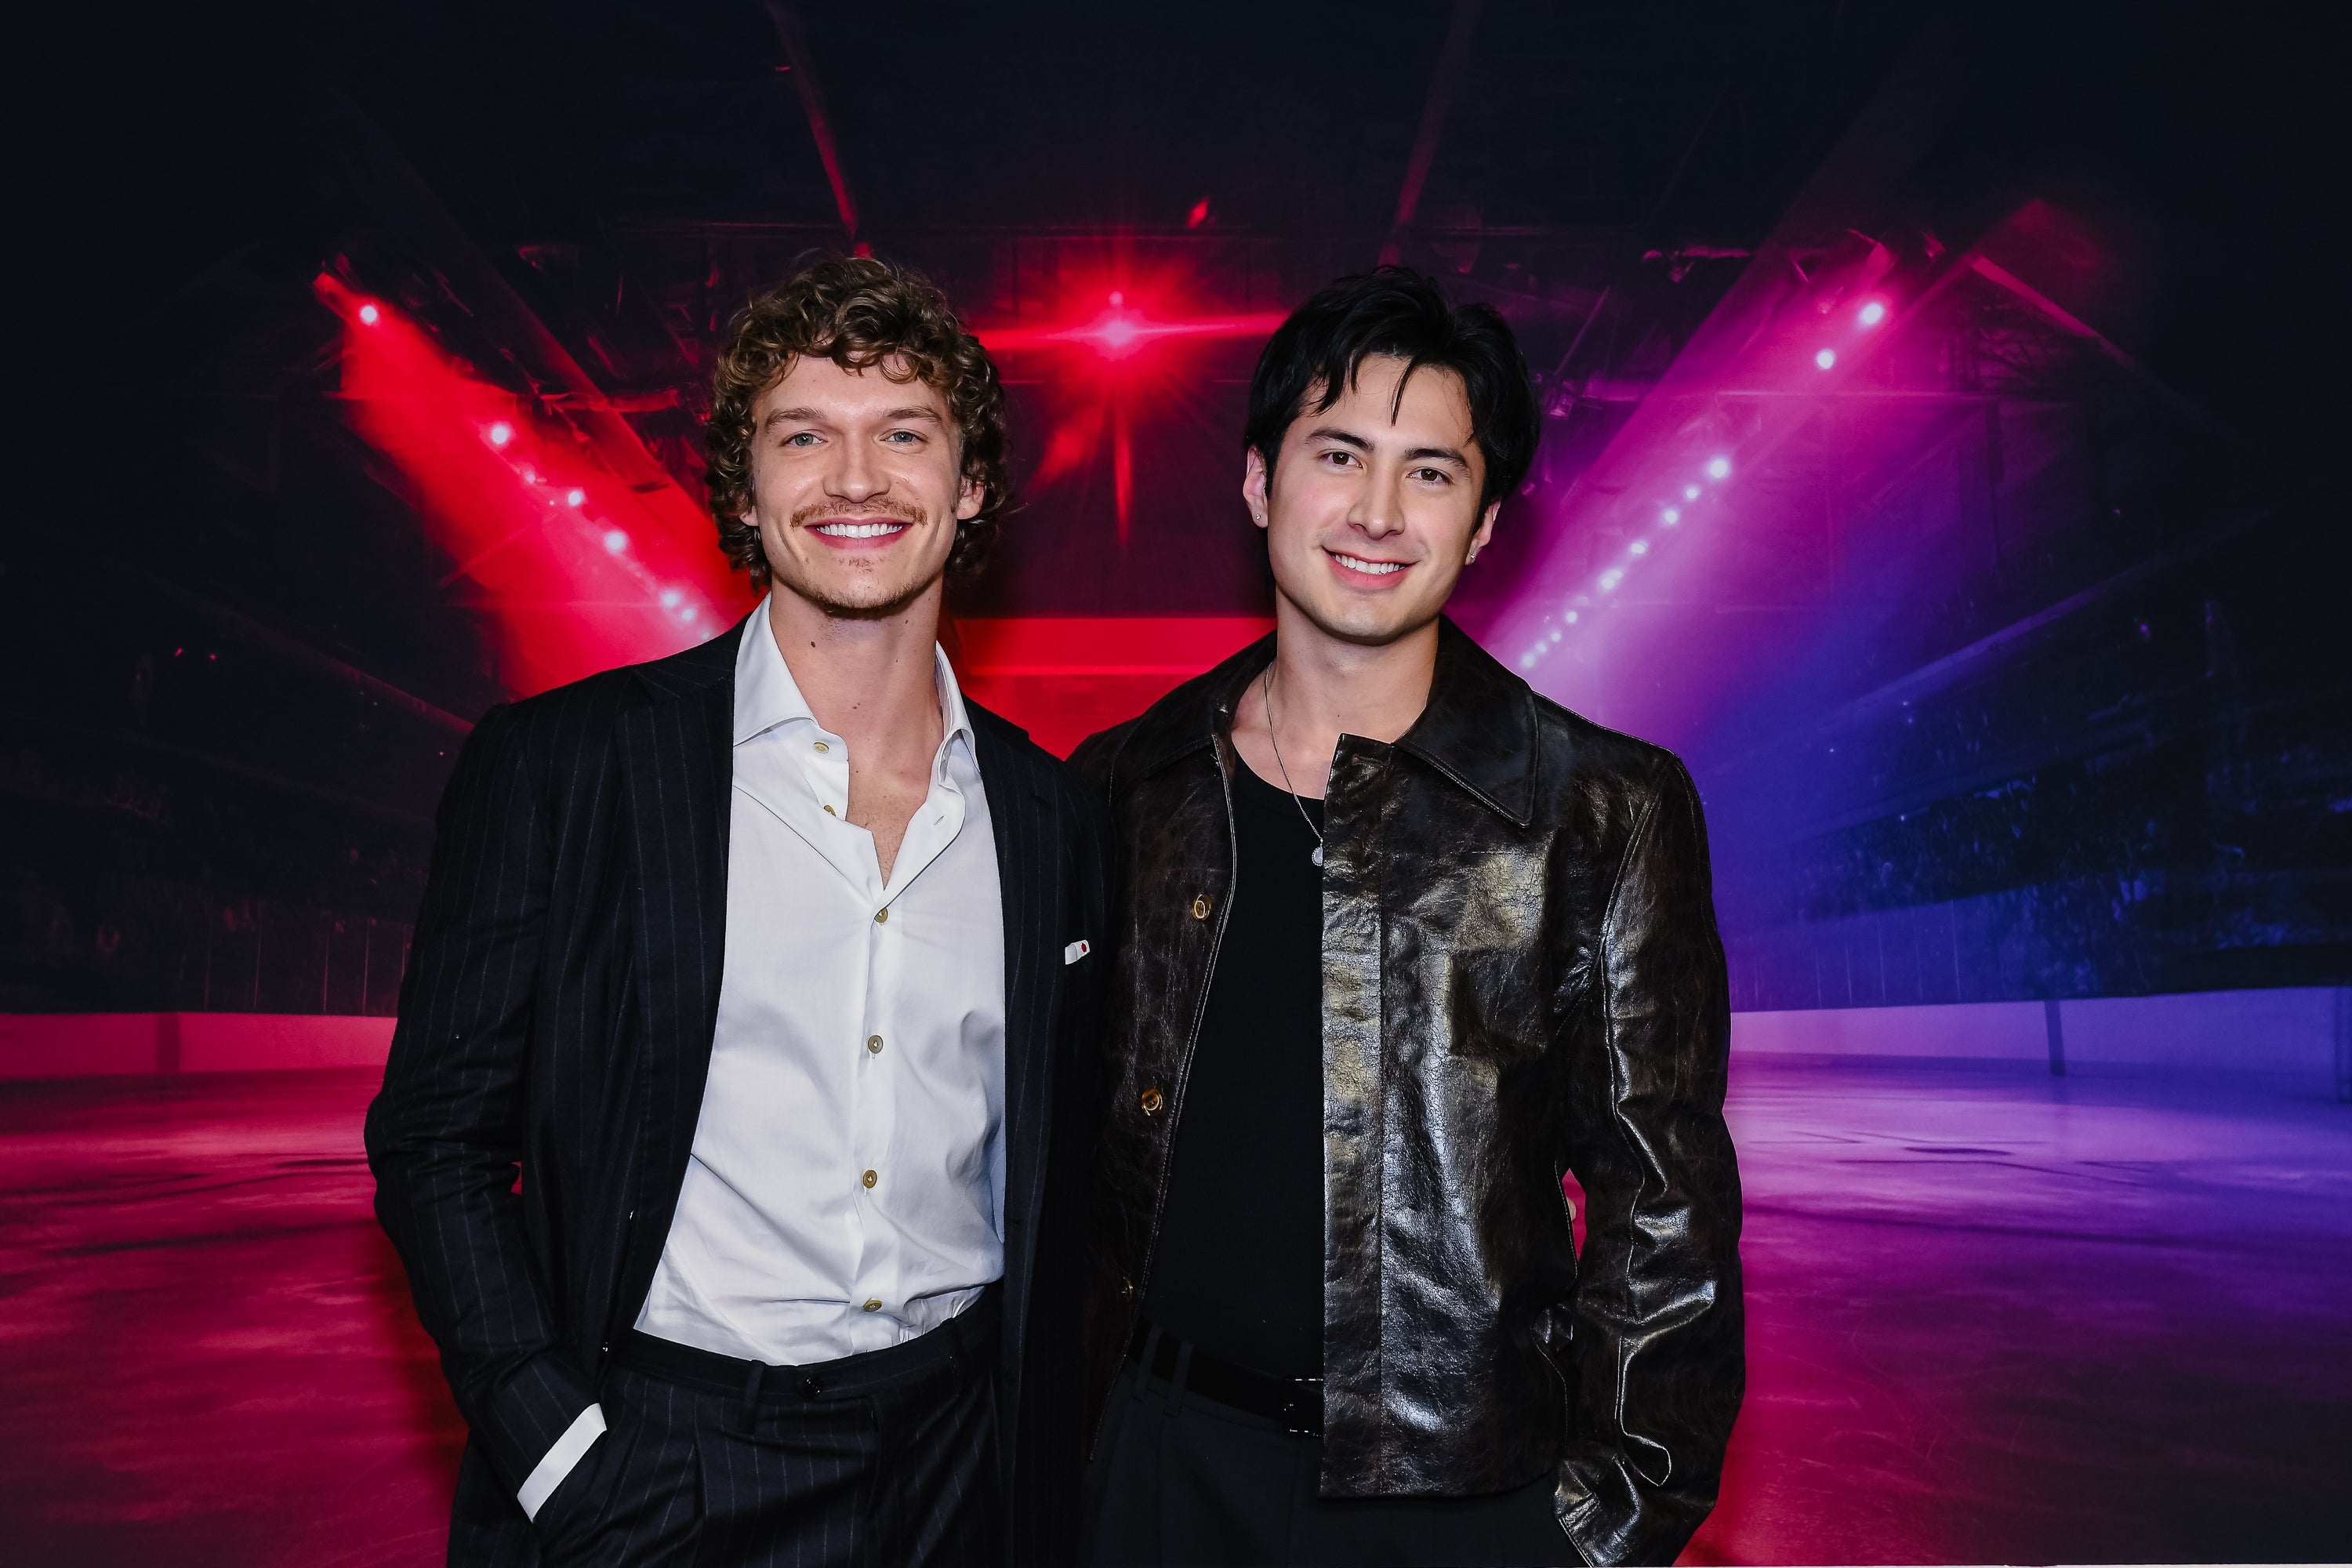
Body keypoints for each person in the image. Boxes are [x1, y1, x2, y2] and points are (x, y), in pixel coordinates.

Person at [366, 256, 1109, 1568]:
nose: (857, 480)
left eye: (906, 434)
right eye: (804, 436)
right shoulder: (567, 766)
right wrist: (558, 1455)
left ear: (971, 486)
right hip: (664, 1466)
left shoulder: (1054, 816)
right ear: (747, 490)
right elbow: (436, 1140)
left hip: (960, 1466)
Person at [1069, 267, 1744, 1567]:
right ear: (1261, 481)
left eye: (1431, 472)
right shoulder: (1126, 784)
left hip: (1457, 1501)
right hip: (1158, 1468)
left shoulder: (1601, 810)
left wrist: (1592, 1534)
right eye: (1340, 455)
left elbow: (1668, 1216)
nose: (1378, 513)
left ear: (1482, 524)